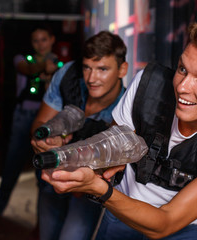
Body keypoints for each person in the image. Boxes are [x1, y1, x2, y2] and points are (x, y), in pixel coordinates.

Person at [40, 21, 197, 240]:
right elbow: (112, 147)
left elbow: (164, 224)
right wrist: (76, 158)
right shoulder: (148, 85)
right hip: (119, 215)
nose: (182, 87)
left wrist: (99, 189)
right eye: (182, 69)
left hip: (178, 229)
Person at [30, 31, 128, 240]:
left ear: (122, 69)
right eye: (87, 68)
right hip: (51, 173)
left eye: (102, 69)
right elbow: (39, 123)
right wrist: (46, 139)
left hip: (86, 188)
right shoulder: (68, 75)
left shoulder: (124, 110)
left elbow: (108, 170)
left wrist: (85, 177)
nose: (92, 78)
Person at [0, 25, 59, 240]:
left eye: (43, 39)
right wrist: (44, 67)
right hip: (23, 119)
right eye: (36, 40)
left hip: (47, 122)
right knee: (10, 173)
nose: (40, 44)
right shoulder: (23, 59)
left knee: (44, 179)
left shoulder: (58, 64)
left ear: (51, 40)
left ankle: (40, 231)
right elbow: (26, 69)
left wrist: (53, 70)